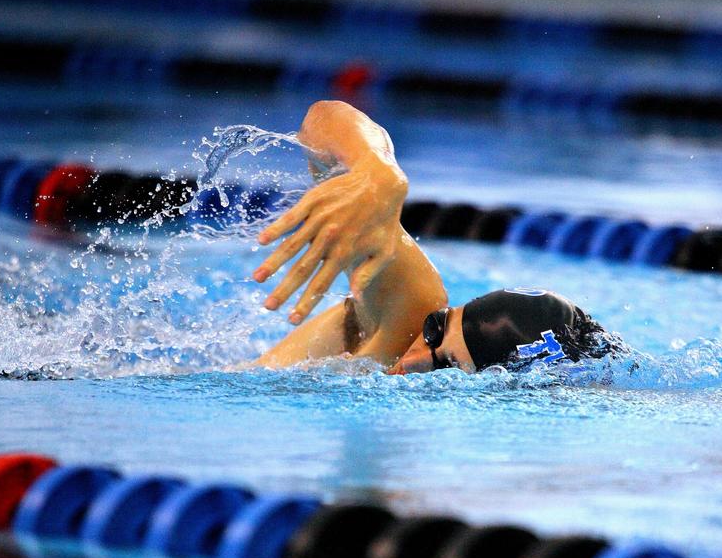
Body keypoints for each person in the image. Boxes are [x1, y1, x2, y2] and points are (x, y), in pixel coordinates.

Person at [252, 101, 615, 374]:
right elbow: (321, 119)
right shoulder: (410, 313)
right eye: (434, 330)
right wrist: (377, 168)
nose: (414, 360)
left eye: (447, 367)